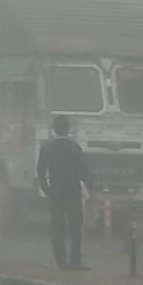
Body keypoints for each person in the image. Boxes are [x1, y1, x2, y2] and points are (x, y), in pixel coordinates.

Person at [36, 114, 94, 269]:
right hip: (73, 191)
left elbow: (40, 172)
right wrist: (90, 186)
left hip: (56, 191)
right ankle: (75, 260)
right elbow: (84, 170)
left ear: (54, 129)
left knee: (57, 226)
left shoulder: (47, 147)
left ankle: (60, 260)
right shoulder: (74, 147)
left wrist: (47, 189)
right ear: (68, 129)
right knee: (75, 226)